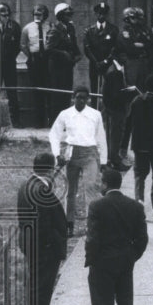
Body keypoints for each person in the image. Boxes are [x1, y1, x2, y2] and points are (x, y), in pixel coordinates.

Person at [85, 168, 148, 305]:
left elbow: (92, 239)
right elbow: (142, 239)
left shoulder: (97, 206)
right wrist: (131, 256)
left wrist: (91, 260)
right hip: (125, 263)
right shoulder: (135, 206)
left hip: (102, 264)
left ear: (105, 184)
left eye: (101, 182)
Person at [16, 151, 68, 305]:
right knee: (41, 287)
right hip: (43, 248)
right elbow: (44, 224)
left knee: (42, 287)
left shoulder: (29, 184)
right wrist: (54, 244)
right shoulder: (40, 190)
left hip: (33, 244)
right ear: (48, 168)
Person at [49, 85, 106, 236]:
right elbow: (54, 134)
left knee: (91, 188)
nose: (80, 100)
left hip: (90, 153)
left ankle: (92, 225)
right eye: (77, 97)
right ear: (73, 98)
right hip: (71, 153)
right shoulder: (65, 114)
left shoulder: (95, 114)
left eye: (84, 98)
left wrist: (104, 160)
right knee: (70, 190)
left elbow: (101, 137)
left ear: (88, 99)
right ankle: (69, 224)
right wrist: (57, 155)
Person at [125, 74, 153, 217]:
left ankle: (139, 203)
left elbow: (128, 125)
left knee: (139, 176)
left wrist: (122, 146)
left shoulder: (136, 101)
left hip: (139, 145)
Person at [45, 3, 82, 124]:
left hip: (67, 66)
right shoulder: (54, 29)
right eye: (67, 15)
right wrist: (64, 54)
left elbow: (74, 43)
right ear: (60, 16)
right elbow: (48, 48)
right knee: (57, 94)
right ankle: (55, 121)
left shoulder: (70, 28)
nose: (69, 17)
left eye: (70, 14)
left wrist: (77, 54)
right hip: (56, 67)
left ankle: (65, 120)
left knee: (67, 92)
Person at [20, 4, 50, 128]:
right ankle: (38, 121)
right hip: (34, 59)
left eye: (40, 13)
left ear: (45, 15)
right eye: (35, 14)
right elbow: (23, 44)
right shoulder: (27, 28)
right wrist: (31, 56)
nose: (37, 16)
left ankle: (49, 119)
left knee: (48, 89)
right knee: (36, 90)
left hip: (47, 59)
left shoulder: (50, 26)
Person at [101, 59, 134, 171]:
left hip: (115, 108)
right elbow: (114, 93)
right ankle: (113, 159)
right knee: (114, 136)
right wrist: (127, 94)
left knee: (116, 135)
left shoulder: (117, 69)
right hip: (115, 109)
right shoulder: (113, 72)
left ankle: (113, 158)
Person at [82, 2, 118, 96]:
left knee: (109, 88)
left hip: (108, 64)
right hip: (94, 64)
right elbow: (87, 49)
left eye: (104, 13)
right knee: (94, 89)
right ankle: (94, 108)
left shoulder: (113, 29)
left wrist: (106, 61)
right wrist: (96, 62)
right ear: (96, 14)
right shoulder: (89, 30)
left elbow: (115, 48)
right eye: (99, 13)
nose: (102, 15)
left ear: (107, 14)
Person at [118, 6, 151, 89]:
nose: (135, 20)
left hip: (142, 61)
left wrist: (141, 45)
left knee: (143, 86)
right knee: (132, 86)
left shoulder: (140, 30)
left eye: (136, 17)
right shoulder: (124, 32)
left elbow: (149, 44)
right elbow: (129, 48)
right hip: (131, 61)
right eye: (132, 18)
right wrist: (139, 46)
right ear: (127, 19)